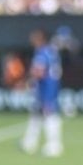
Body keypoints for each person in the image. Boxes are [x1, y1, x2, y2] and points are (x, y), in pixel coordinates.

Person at [20, 28, 63, 157]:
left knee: (49, 115)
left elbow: (39, 71)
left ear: (41, 38)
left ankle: (54, 145)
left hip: (46, 89)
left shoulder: (42, 52)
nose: (31, 39)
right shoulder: (51, 51)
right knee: (36, 115)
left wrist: (26, 81)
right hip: (50, 87)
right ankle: (29, 143)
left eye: (34, 37)